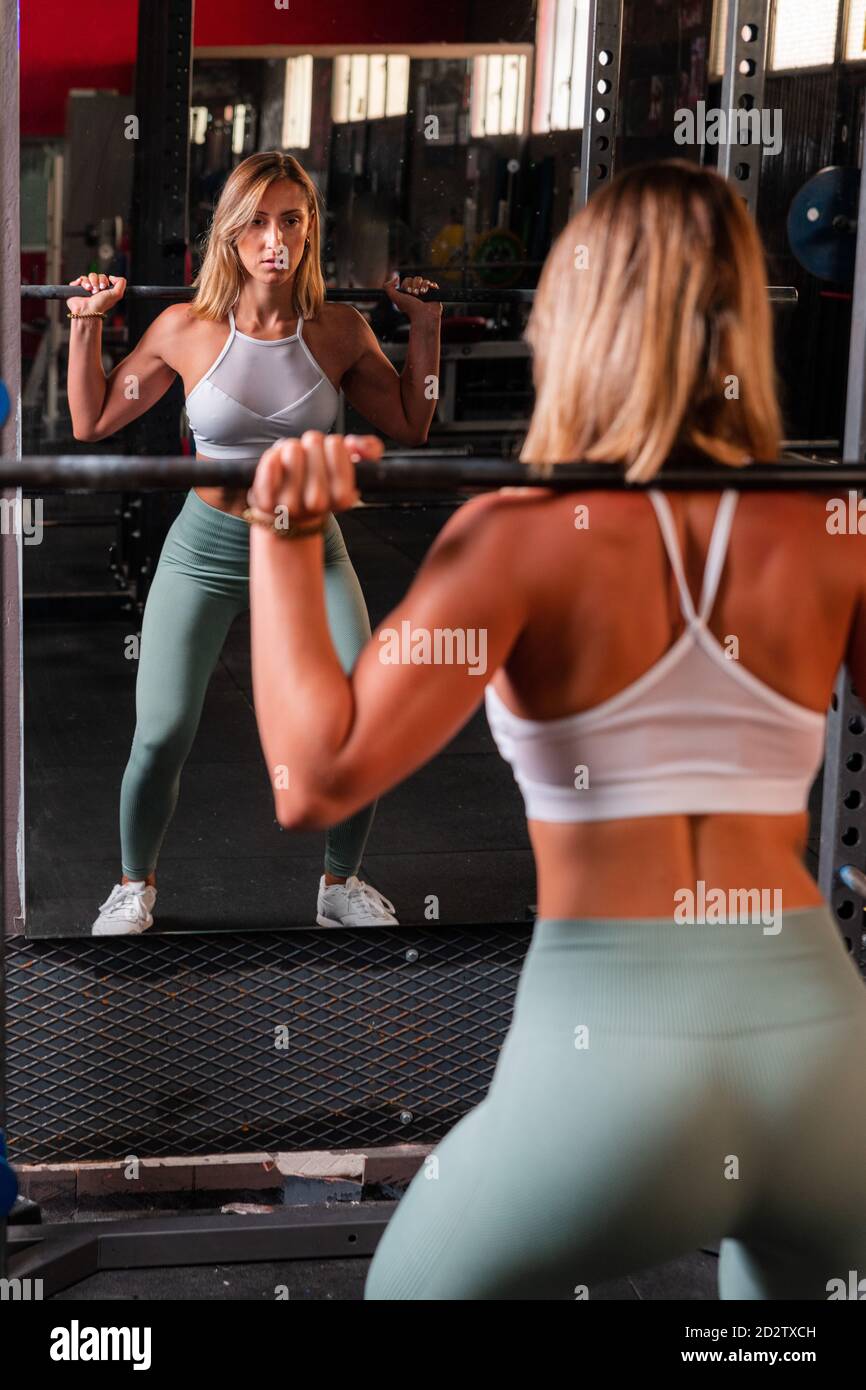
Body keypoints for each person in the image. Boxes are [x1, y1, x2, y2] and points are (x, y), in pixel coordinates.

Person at [245, 159, 866, 1299]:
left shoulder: (519, 537)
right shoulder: (832, 528)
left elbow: (310, 777)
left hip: (614, 1070)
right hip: (823, 1058)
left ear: (578, 311)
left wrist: (282, 535)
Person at [66, 150, 442, 934]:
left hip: (309, 547)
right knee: (163, 732)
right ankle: (135, 885)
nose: (275, 239)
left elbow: (411, 421)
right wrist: (84, 328)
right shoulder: (187, 330)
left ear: (310, 232)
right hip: (204, 549)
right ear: (231, 234)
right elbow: (90, 420)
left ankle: (340, 883)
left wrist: (427, 329)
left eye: (292, 221)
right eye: (259, 223)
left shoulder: (339, 331)